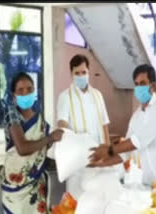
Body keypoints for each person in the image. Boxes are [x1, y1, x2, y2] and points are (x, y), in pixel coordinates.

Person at [88, 64, 156, 191]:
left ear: (152, 87)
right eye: (136, 84)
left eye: (143, 83)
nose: (139, 88)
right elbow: (125, 153)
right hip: (150, 184)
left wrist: (109, 150)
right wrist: (100, 163)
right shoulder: (136, 117)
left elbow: (137, 141)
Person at [1, 72, 64, 214]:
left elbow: (43, 146)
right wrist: (50, 138)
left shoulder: (39, 118)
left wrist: (57, 140)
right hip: (17, 184)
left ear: (34, 91)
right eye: (20, 90)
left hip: (36, 183)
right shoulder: (12, 114)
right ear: (14, 96)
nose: (25, 93)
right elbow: (22, 148)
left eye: (29, 89)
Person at [56, 54, 111, 199]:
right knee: (77, 200)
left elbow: (105, 124)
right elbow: (61, 122)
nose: (81, 76)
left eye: (83, 72)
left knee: (99, 199)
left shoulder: (98, 95)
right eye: (77, 73)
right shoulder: (65, 96)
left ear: (88, 72)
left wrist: (108, 150)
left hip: (98, 158)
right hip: (77, 161)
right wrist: (76, 141)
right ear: (71, 74)